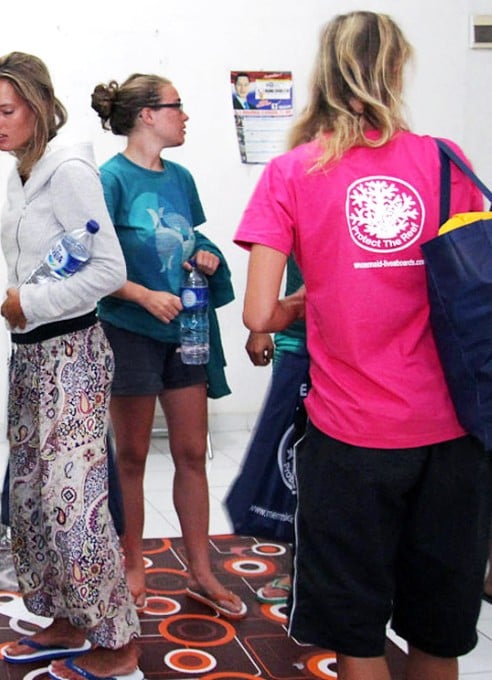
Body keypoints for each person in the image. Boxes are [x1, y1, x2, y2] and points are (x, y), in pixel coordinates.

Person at [236, 12, 490, 680]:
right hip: (453, 436)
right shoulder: (445, 160)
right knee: (437, 636)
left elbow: (259, 311)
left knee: (359, 638)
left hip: (352, 441)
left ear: (324, 75)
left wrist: (310, 296)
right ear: (396, 71)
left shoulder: (291, 173)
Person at [0, 51, 141, 680]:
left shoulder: (69, 171)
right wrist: (24, 306)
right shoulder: (21, 171)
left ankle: (117, 639)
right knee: (33, 499)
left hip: (71, 352)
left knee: (73, 502)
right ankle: (65, 618)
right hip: (30, 355)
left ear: (39, 105)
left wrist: (28, 301)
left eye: (7, 110)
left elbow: (109, 269)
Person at [90, 74, 244, 619]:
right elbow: (92, 265)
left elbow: (191, 237)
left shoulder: (181, 177)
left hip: (188, 331)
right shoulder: (108, 180)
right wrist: (143, 296)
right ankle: (134, 565)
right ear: (147, 116)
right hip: (129, 332)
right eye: (177, 106)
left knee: (191, 453)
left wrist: (206, 256)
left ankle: (200, 571)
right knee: (130, 457)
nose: (185, 115)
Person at [242, 256, 306, 605]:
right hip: (297, 341)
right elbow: (273, 253)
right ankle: (296, 567)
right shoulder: (297, 198)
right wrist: (259, 326)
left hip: (362, 341)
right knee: (294, 466)